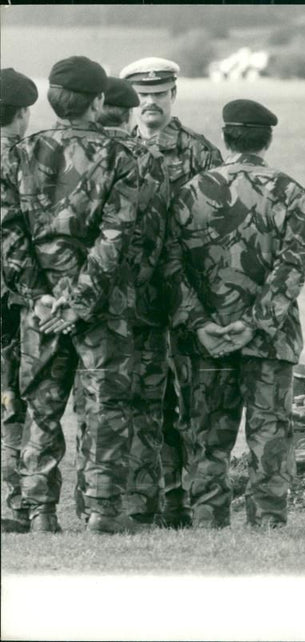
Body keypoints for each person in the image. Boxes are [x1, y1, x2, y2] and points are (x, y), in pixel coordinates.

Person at [0, 56, 139, 534]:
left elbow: (8, 232)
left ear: (54, 99)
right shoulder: (123, 156)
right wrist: (79, 300)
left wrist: (39, 295)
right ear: (99, 102)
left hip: (38, 309)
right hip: (103, 307)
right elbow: (115, 237)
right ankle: (101, 512)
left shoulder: (19, 153)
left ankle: (39, 512)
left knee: (40, 404)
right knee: (104, 409)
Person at [164, 99, 305, 529]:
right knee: (269, 432)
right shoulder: (289, 192)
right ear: (267, 139)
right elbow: (292, 269)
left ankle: (208, 518)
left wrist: (201, 324)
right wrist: (254, 324)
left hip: (206, 341)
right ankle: (267, 519)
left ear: (225, 137)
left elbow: (172, 267)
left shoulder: (190, 192)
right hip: (270, 340)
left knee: (206, 435)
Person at [120, 56, 222, 528]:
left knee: (193, 402)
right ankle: (152, 499)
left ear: (174, 95)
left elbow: (217, 232)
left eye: (159, 93)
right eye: (143, 94)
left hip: (187, 299)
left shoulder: (200, 153)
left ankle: (192, 502)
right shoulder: (116, 149)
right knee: (143, 402)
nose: (150, 103)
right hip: (133, 301)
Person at [72, 77, 171, 526]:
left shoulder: (79, 157)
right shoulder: (146, 159)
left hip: (87, 304)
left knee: (92, 404)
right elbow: (161, 233)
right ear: (130, 114)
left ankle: (89, 498)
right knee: (145, 407)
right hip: (145, 303)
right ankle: (142, 503)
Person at [0, 68, 38, 533]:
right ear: (23, 114)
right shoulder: (24, 161)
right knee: (14, 399)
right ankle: (16, 505)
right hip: (13, 298)